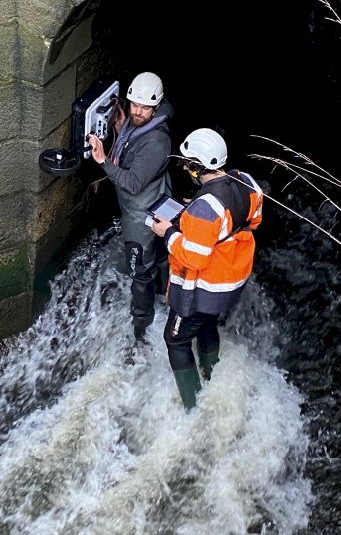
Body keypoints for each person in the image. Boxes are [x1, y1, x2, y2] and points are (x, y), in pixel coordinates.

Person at [149, 128, 264, 410]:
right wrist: (194, 215)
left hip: (204, 286)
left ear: (198, 167)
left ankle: (193, 405)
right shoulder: (247, 183)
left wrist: (168, 232)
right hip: (231, 280)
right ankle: (210, 372)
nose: (185, 167)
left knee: (175, 339)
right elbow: (253, 221)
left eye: (187, 163)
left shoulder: (205, 208)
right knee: (207, 322)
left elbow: (194, 258)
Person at [87, 71, 174, 341]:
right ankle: (164, 293)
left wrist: (103, 161)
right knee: (159, 255)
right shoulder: (139, 122)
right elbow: (131, 143)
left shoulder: (157, 141)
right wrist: (120, 128)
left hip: (141, 214)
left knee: (139, 269)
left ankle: (141, 328)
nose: (137, 112)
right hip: (157, 197)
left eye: (144, 107)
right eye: (133, 105)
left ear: (156, 107)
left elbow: (134, 183)